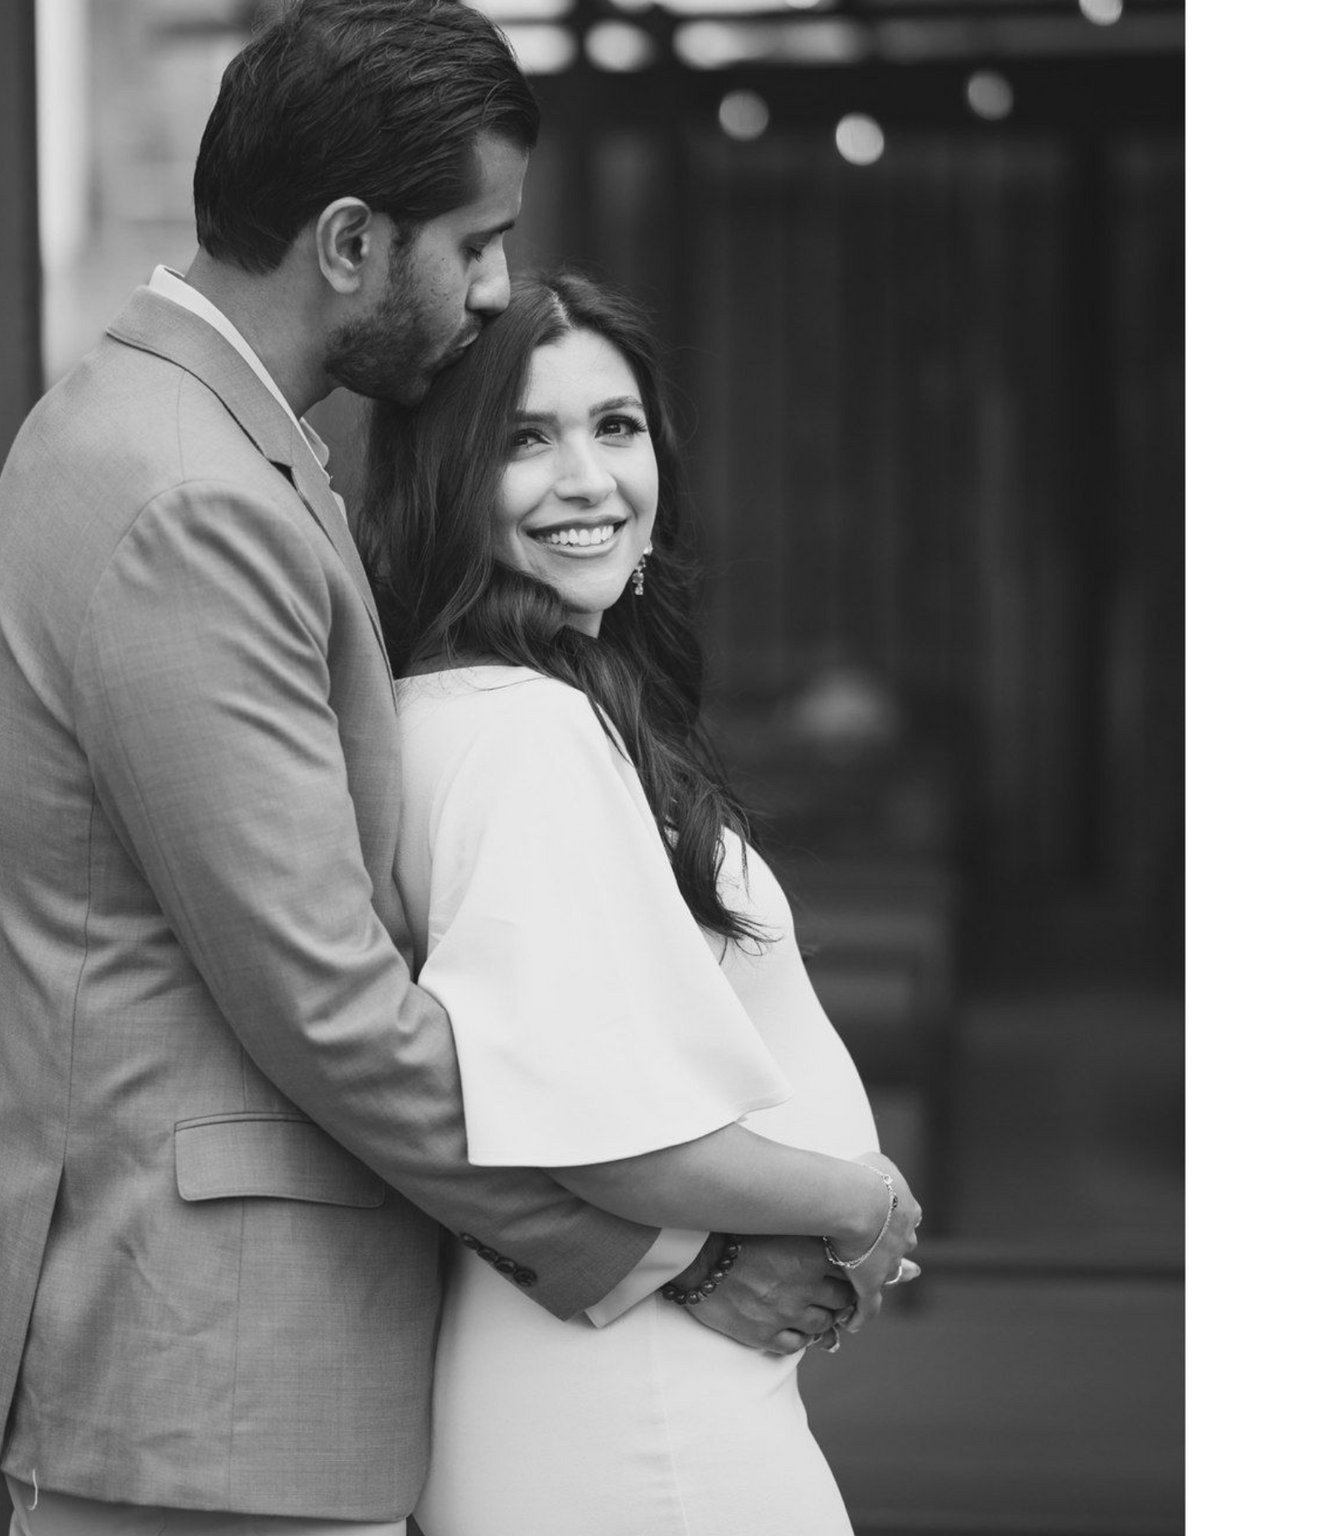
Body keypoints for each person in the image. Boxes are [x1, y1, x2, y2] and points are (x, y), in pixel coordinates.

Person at [0, 5, 867, 1534]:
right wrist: (662, 1251)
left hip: (225, 1351)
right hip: (204, 1357)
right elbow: (326, 1001)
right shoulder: (183, 496)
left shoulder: (217, 443)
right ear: (351, 242)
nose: (494, 292)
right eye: (476, 243)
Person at [359, 269, 923, 1534]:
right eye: (524, 439)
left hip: (623, 1383)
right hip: (637, 1417)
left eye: (615, 427)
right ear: (446, 481)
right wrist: (861, 1199)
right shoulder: (521, 732)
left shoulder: (493, 706)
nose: (590, 478)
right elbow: (597, 1127)